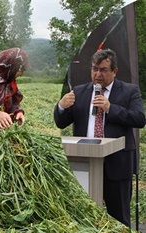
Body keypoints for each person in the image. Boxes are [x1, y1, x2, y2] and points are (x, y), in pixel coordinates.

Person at [53, 49, 146, 227]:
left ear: (114, 71)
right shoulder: (80, 92)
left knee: (118, 220)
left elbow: (139, 119)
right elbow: (61, 123)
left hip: (117, 166)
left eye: (103, 70)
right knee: (84, 219)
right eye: (94, 69)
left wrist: (111, 108)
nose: (98, 74)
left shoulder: (129, 91)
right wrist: (61, 106)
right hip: (85, 165)